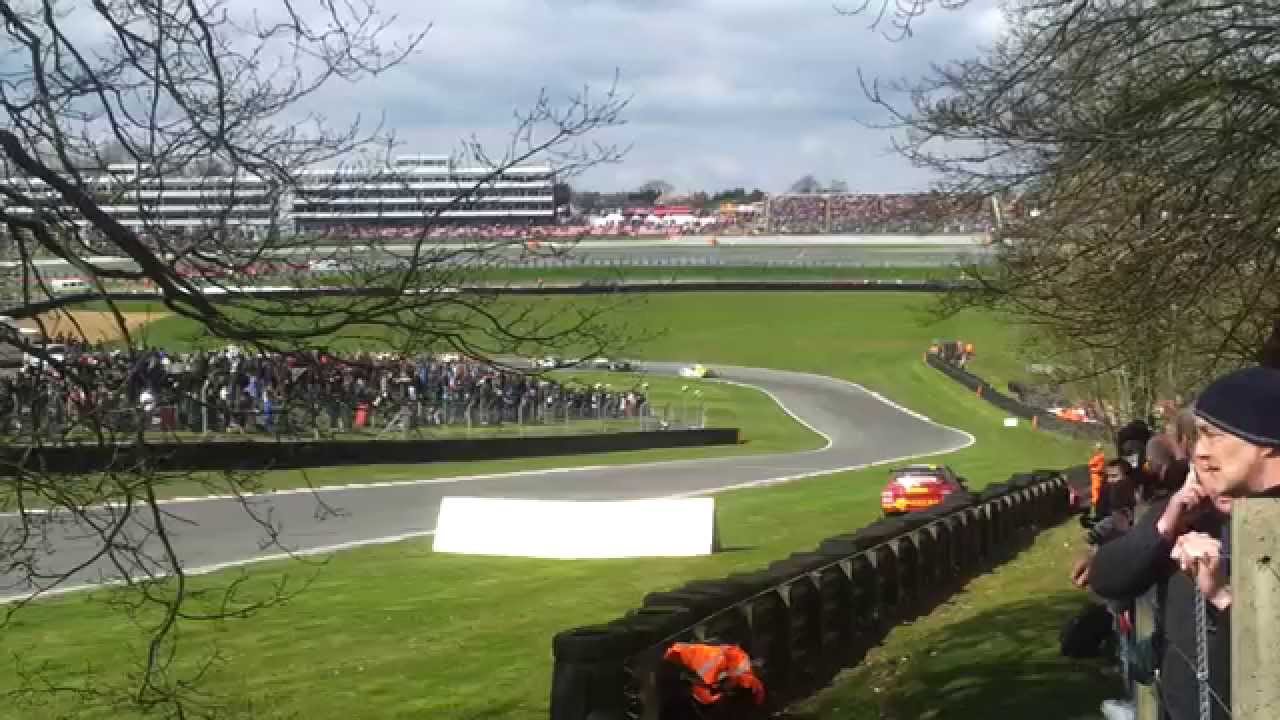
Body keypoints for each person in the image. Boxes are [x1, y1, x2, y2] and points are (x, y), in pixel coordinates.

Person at [1090, 366, 1280, 720]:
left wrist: (1222, 596)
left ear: (1267, 447)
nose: (1200, 455)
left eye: (1212, 437)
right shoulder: (1190, 513)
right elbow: (1107, 580)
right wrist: (1163, 527)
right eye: (1196, 440)